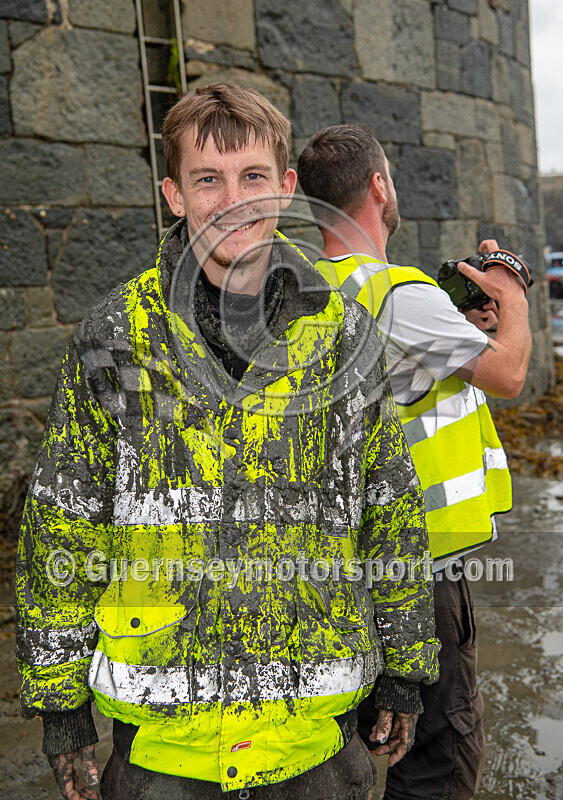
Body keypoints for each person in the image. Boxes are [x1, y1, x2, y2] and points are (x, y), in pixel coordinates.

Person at [16, 86, 440, 800]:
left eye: (251, 177)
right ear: (173, 194)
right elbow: (63, 520)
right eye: (207, 178)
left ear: (284, 187)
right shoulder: (113, 337)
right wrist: (60, 709)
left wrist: (405, 668)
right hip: (163, 749)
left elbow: (388, 509)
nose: (232, 200)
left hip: (314, 741)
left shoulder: (341, 336)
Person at [297, 124, 532, 800]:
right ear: (378, 186)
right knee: (435, 756)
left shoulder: (306, 292)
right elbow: (509, 374)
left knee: (345, 751)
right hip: (420, 572)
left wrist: (467, 326)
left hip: (335, 570)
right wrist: (511, 298)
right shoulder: (401, 294)